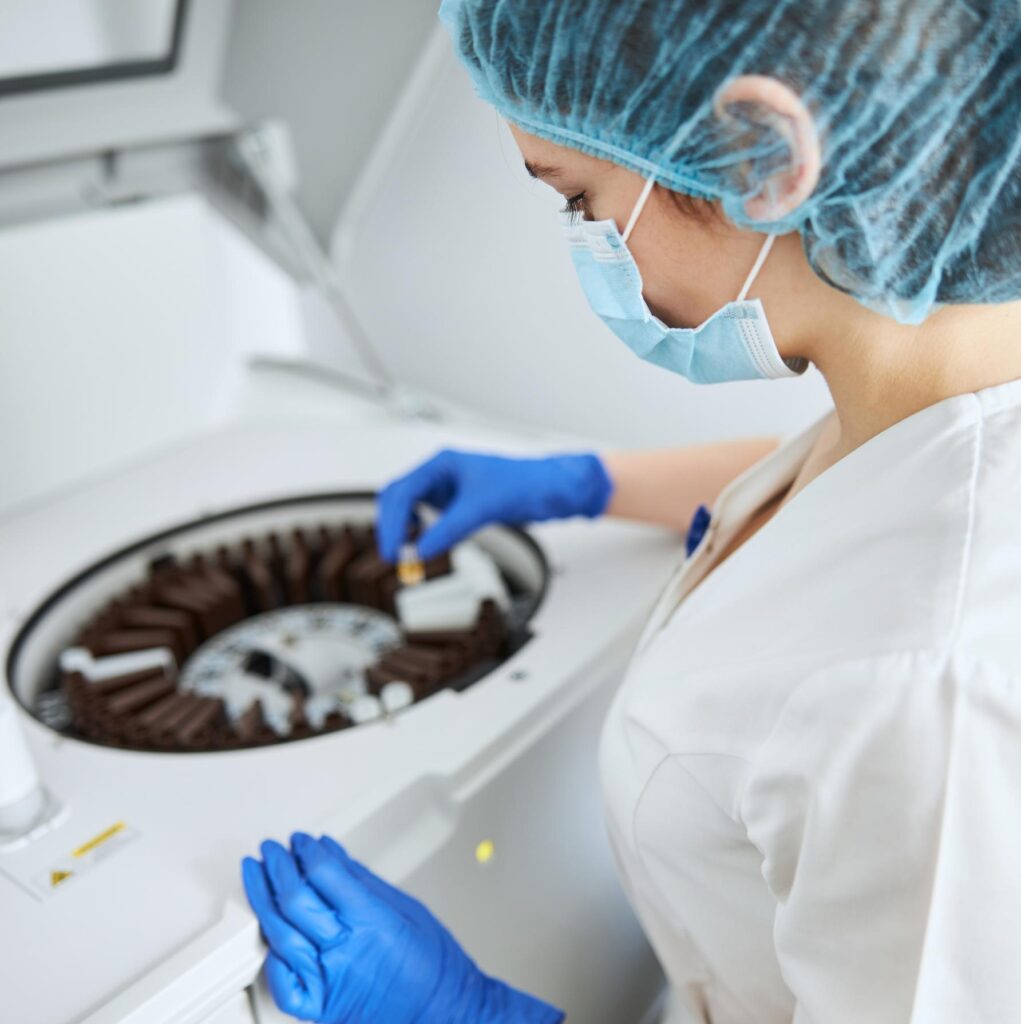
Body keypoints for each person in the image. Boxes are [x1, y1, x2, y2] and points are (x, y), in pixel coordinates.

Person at [241, 1, 1021, 1021]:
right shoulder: (938, 383)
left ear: (764, 155)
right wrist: (586, 481)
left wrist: (471, 1013)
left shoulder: (924, 685)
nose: (591, 248)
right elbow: (859, 496)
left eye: (579, 199)